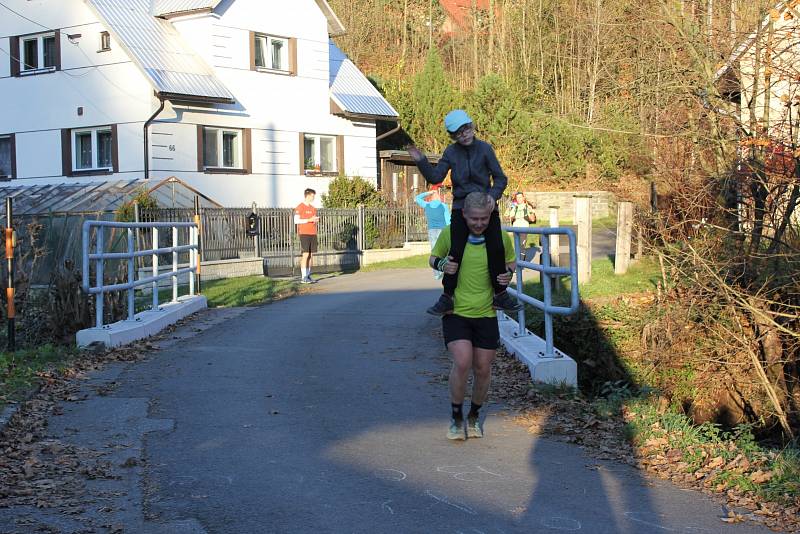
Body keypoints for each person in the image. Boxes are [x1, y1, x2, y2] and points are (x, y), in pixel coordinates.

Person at [407, 109, 521, 316]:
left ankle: (501, 294)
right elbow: (435, 178)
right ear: (453, 136)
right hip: (461, 207)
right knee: (456, 250)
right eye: (458, 133)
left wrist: (491, 197)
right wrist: (420, 160)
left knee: (495, 248)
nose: (464, 135)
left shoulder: (485, 149)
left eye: (466, 129)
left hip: (487, 206)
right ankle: (448, 296)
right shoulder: (451, 152)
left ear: (472, 127)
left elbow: (501, 178)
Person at [430, 192, 517, 440]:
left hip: (486, 312)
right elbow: (433, 258)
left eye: (484, 219)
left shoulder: (499, 237)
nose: (479, 224)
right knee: (463, 361)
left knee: (482, 368)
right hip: (456, 311)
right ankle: (456, 418)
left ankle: (474, 415)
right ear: (464, 215)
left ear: (490, 217)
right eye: (474, 219)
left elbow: (511, 263)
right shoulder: (451, 233)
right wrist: (441, 265)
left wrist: (507, 274)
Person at [415, 184, 451, 279]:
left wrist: (429, 192)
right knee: (445, 250)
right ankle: (444, 269)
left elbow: (417, 198)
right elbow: (448, 220)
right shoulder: (443, 206)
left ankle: (437, 274)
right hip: (442, 230)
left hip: (432, 231)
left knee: (435, 252)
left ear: (431, 198)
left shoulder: (427, 205)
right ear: (439, 198)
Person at [294, 188, 319, 284]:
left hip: (313, 233)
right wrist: (308, 220)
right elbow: (296, 221)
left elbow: (312, 219)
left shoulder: (313, 208)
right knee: (306, 254)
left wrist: (315, 219)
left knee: (311, 255)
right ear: (307, 195)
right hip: (304, 233)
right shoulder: (300, 207)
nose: (313, 198)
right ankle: (303, 277)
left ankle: (308, 275)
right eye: (312, 196)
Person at [504, 191, 537, 258]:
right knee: (517, 244)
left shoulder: (527, 207)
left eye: (520, 197)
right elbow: (506, 217)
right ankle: (518, 261)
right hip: (515, 228)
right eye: (517, 197)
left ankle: (521, 259)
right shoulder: (514, 207)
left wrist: (532, 212)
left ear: (523, 198)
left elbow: (532, 219)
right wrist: (510, 215)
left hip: (524, 228)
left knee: (521, 244)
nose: (519, 199)